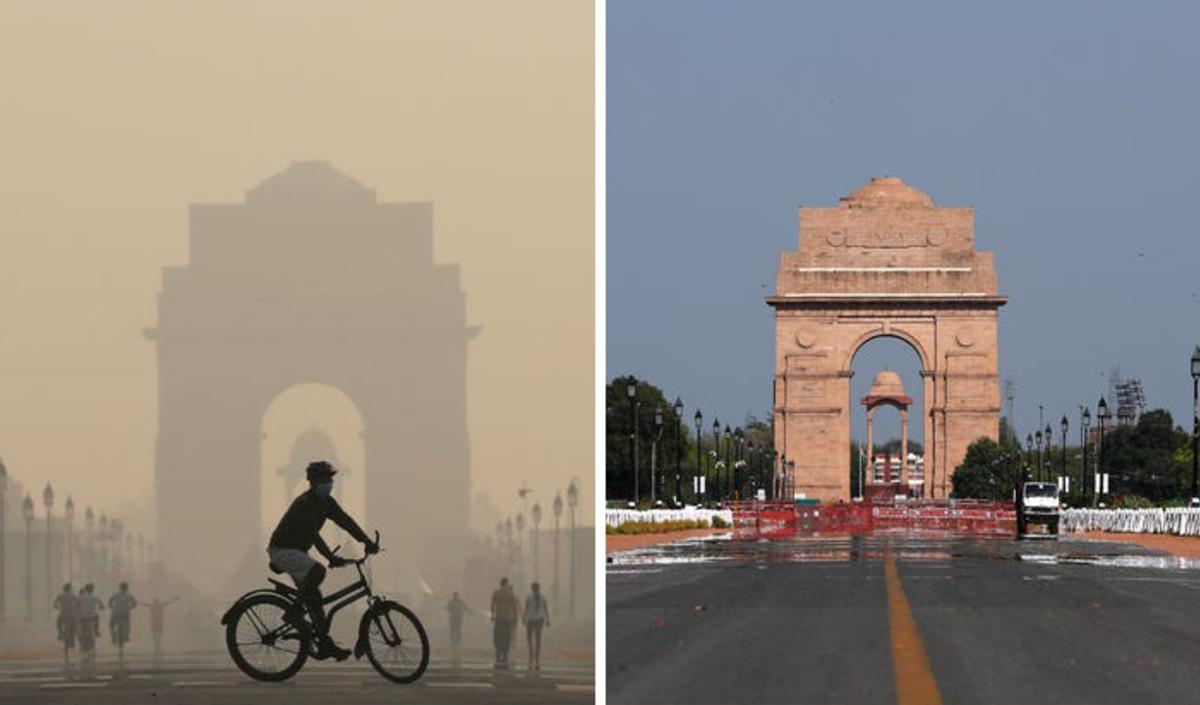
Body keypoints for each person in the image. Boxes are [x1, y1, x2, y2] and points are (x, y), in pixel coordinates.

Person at [267, 460, 378, 661]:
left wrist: (366, 541)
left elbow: (345, 521)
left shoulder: (327, 503)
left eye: (330, 479)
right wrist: (330, 558)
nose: (328, 483)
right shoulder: (304, 503)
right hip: (282, 550)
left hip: (298, 552)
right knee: (318, 571)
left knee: (315, 601)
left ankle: (324, 644)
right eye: (324, 480)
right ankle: (293, 613)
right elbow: (313, 536)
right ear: (313, 482)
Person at [489, 577, 519, 668]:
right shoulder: (511, 594)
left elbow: (492, 605)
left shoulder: (496, 593)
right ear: (506, 583)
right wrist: (515, 616)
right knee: (507, 635)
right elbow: (514, 606)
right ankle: (505, 651)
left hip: (499, 617)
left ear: (500, 583)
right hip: (508, 617)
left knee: (497, 635)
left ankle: (498, 650)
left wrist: (492, 615)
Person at [522, 581, 550, 670]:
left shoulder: (531, 597)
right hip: (537, 619)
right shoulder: (541, 597)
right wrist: (548, 619)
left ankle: (533, 653)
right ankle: (535, 654)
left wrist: (524, 617)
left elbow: (526, 608)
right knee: (535, 637)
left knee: (531, 637)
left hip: (533, 619)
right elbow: (545, 609)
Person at [147, 597, 179, 662]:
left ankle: (156, 645)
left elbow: (145, 604)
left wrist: (138, 601)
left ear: (154, 601)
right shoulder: (161, 606)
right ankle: (158, 645)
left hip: (154, 622)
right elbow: (168, 602)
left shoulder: (152, 606)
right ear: (158, 601)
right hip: (159, 622)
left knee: (155, 634)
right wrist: (175, 599)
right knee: (159, 633)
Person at [108, 582, 138, 647]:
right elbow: (135, 603)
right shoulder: (129, 595)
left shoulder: (115, 594)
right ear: (127, 588)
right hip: (125, 613)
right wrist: (130, 607)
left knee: (111, 625)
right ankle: (126, 636)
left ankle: (113, 636)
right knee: (127, 624)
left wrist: (111, 606)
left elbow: (110, 601)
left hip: (116, 613)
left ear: (120, 587)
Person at [53, 583, 78, 652]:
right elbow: (78, 603)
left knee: (58, 624)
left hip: (63, 615)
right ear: (70, 589)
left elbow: (54, 604)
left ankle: (60, 633)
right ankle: (72, 642)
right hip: (72, 615)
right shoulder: (73, 595)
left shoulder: (60, 596)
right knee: (73, 628)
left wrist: (57, 607)